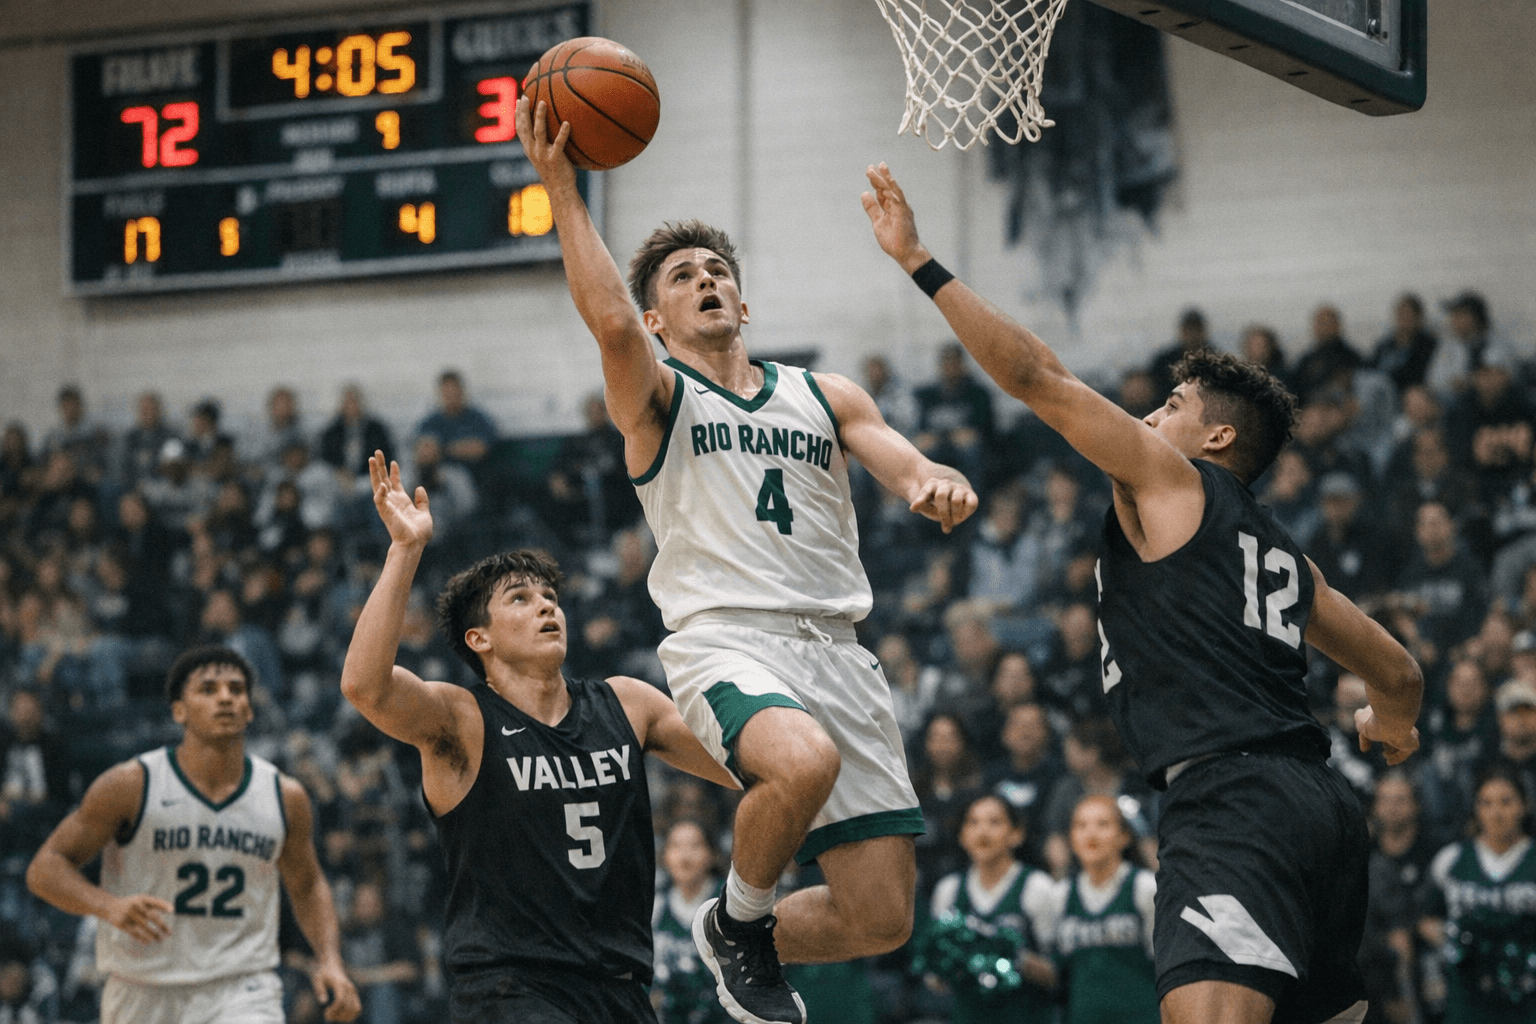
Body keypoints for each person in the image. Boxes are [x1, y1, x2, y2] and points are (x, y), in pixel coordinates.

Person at [863, 162, 1423, 1024]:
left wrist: (919, 262)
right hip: (1322, 811)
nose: (1151, 418)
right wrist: (1391, 727)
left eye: (1173, 403)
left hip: (1232, 803)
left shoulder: (1172, 481)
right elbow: (1399, 674)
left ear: (1218, 437)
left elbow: (1037, 378)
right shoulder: (1288, 558)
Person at [517, 101, 979, 1024]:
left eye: (719, 270)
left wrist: (936, 481)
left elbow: (903, 463)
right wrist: (563, 186)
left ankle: (728, 929)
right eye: (684, 276)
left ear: (744, 302)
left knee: (880, 917)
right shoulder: (657, 396)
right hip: (727, 641)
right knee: (799, 762)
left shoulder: (825, 393)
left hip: (839, 649)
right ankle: (739, 920)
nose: (707, 280)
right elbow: (610, 325)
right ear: (659, 316)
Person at [339, 453, 737, 1024]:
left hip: (619, 987)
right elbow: (365, 686)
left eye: (550, 595)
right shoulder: (463, 720)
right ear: (479, 638)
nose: (547, 604)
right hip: (511, 987)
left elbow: (743, 763)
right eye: (520, 599)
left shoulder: (628, 703)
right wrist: (405, 550)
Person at [24, 645, 361, 1024]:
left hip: (242, 988)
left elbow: (308, 885)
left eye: (236, 689)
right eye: (208, 689)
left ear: (250, 710)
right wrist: (108, 906)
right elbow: (44, 869)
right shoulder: (131, 785)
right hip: (144, 988)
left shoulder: (284, 796)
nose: (225, 698)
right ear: (179, 711)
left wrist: (330, 959)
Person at [925, 792, 1056, 1024]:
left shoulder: (1038, 887)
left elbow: (1059, 975)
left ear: (1016, 834)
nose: (982, 831)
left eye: (994, 822)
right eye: (973, 822)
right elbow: (935, 982)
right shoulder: (948, 890)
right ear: (962, 835)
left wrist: (1010, 957)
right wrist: (949, 965)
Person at [1422, 760, 1536, 1024]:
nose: (1496, 812)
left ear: (1524, 805)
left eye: (1506, 802)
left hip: (1528, 998)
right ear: (1475, 808)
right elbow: (1427, 919)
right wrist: (1456, 943)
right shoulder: (1451, 860)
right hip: (1467, 998)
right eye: (1486, 803)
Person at [1051, 794, 1159, 1024]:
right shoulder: (1059, 895)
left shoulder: (1146, 888)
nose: (1091, 834)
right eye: (1081, 825)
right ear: (1070, 837)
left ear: (1124, 836)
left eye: (1103, 824)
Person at [652, 819, 731, 1024]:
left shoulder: (732, 905)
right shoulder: (655, 907)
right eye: (676, 846)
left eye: (695, 846)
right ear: (665, 856)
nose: (684, 856)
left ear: (712, 855)